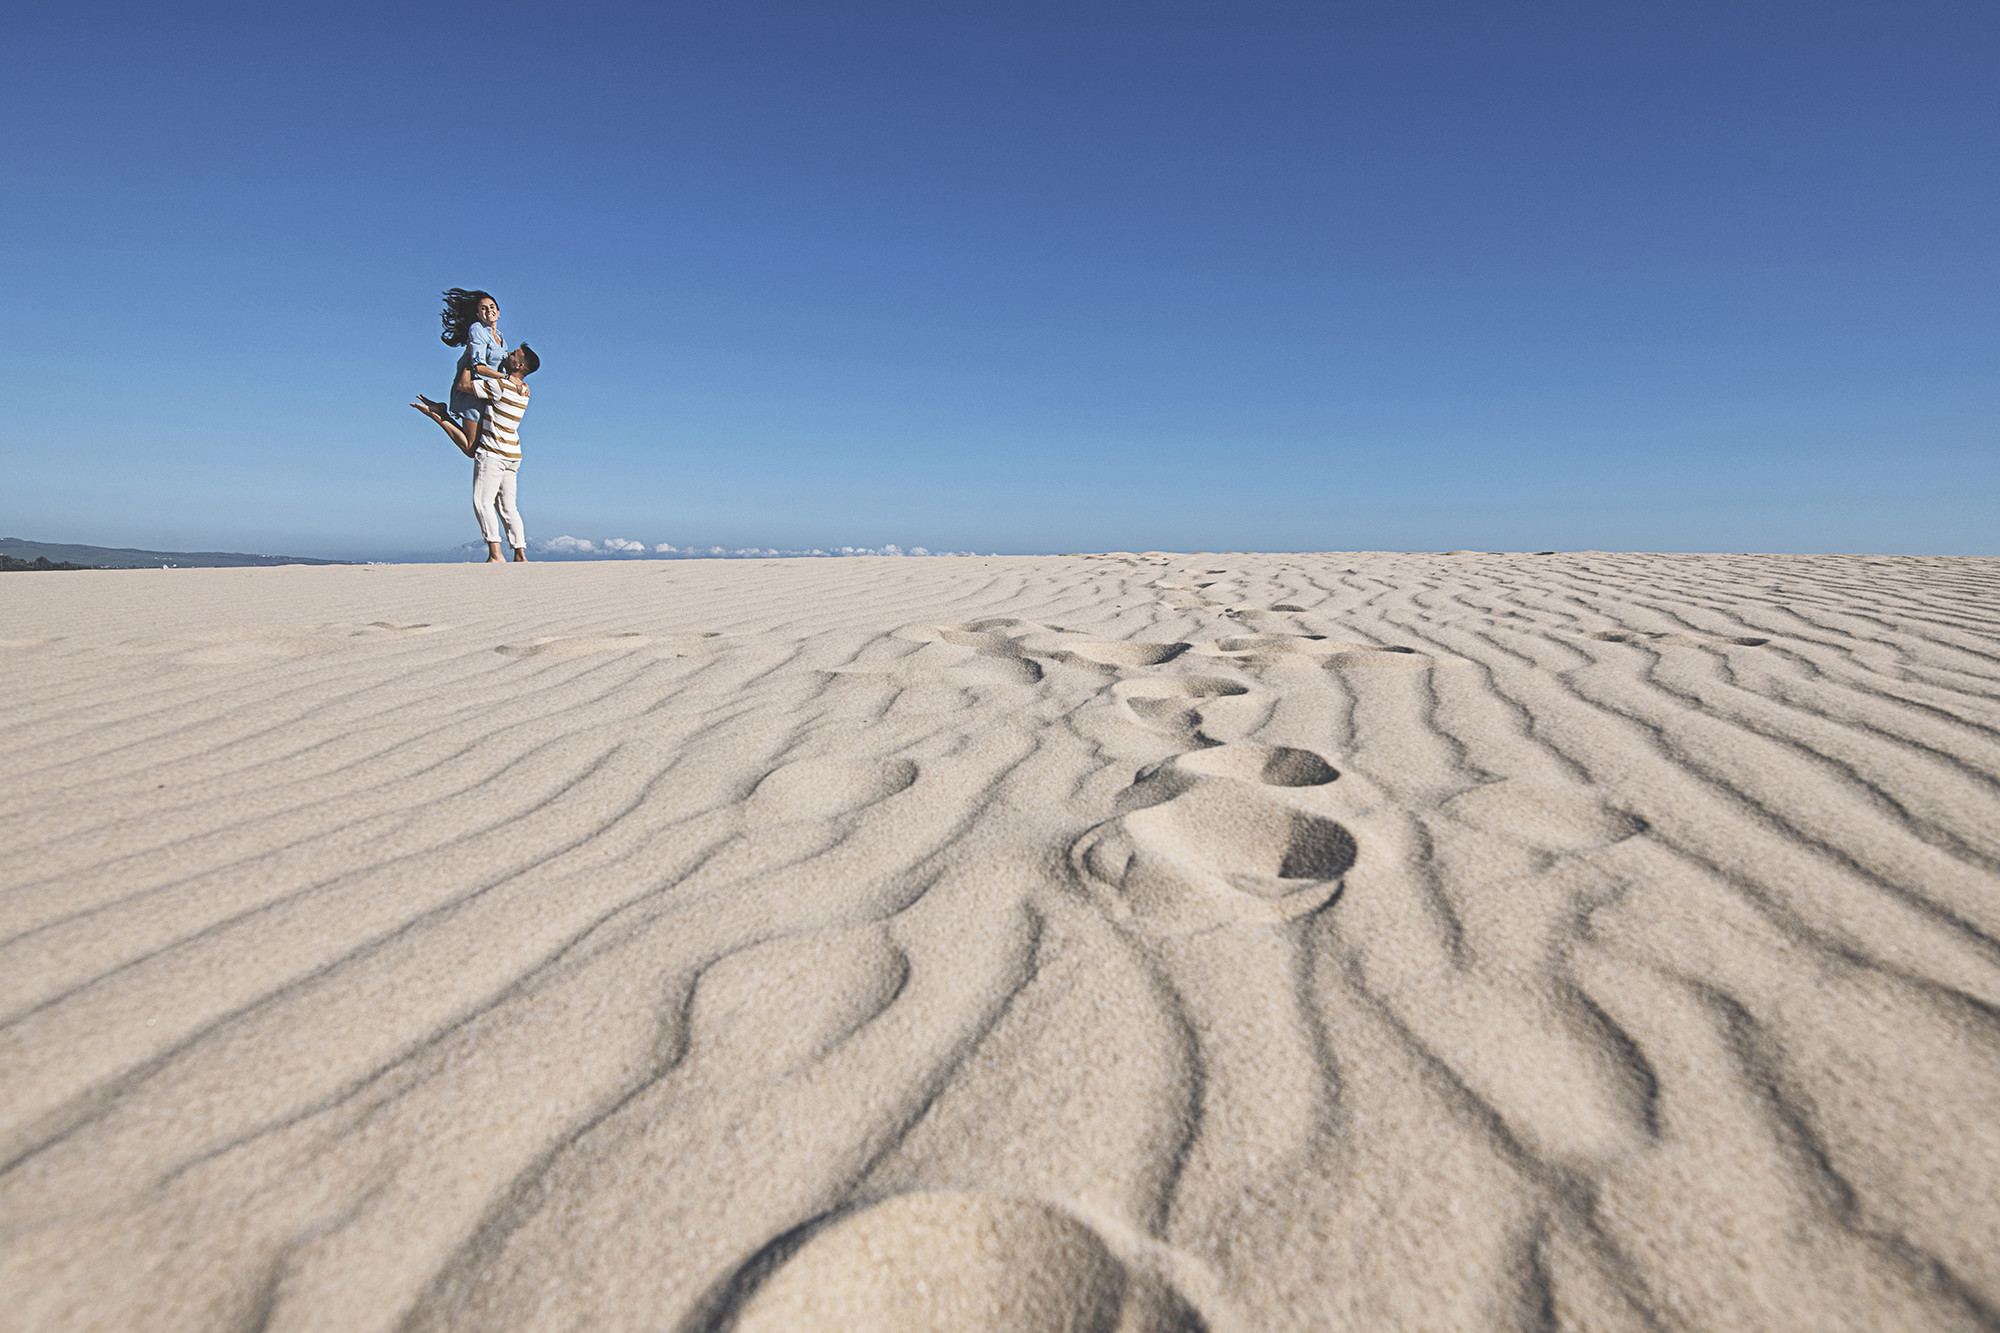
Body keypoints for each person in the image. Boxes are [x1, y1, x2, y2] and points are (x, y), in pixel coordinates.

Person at [412, 345, 540, 562]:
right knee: (508, 506)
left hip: (493, 452)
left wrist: (472, 358)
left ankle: (495, 554)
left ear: (518, 365)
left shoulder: (501, 386)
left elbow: (463, 385)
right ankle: (520, 554)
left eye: (513, 354)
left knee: (482, 502)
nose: (508, 354)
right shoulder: (524, 390)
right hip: (513, 454)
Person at [430, 288, 506, 458]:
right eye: (483, 308)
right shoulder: (477, 329)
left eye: (492, 307)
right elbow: (478, 366)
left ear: (499, 313)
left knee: (481, 445)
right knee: (470, 448)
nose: (489, 311)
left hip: (486, 392)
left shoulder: (500, 336)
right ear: (478, 314)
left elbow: (501, 364)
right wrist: (507, 378)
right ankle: (439, 414)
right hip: (472, 388)